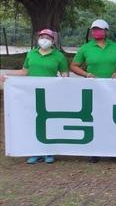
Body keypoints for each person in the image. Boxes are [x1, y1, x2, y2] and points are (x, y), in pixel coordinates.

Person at [0, 29, 68, 164]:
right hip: (31, 94)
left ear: (53, 41)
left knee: (49, 121)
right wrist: (8, 75)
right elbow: (25, 72)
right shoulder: (31, 54)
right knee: (33, 121)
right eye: (42, 36)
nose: (44, 39)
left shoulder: (59, 56)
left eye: (48, 37)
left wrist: (64, 84)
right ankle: (34, 151)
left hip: (50, 94)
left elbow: (64, 75)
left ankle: (49, 151)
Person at [70, 19, 116, 163]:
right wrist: (86, 74)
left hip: (112, 89)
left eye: (99, 29)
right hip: (93, 89)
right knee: (95, 118)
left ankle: (112, 148)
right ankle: (95, 149)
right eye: (94, 29)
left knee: (112, 118)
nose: (96, 32)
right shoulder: (85, 48)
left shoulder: (115, 47)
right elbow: (74, 66)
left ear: (106, 31)